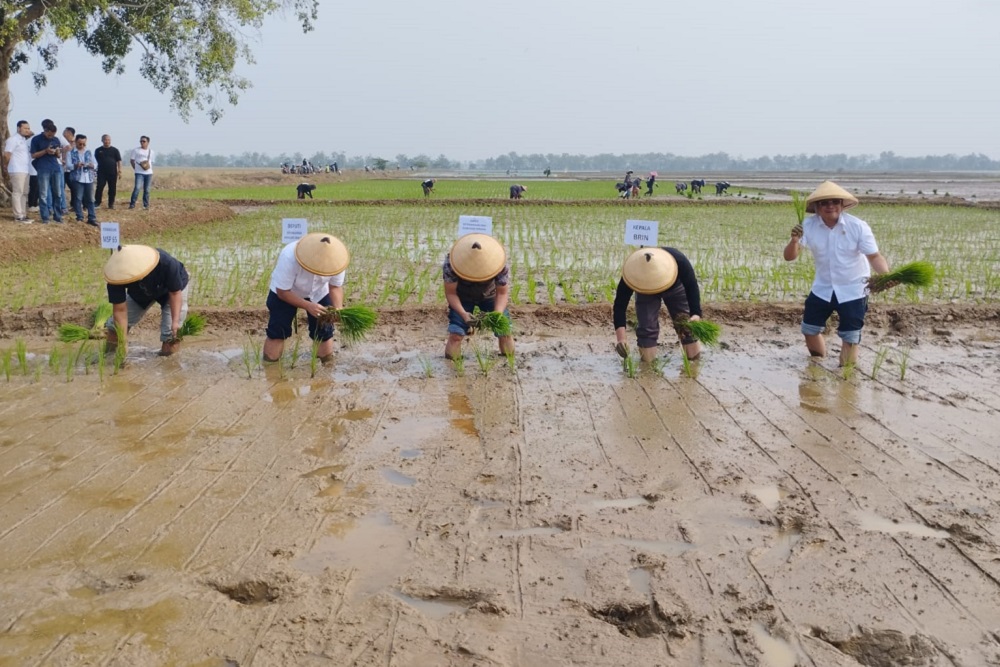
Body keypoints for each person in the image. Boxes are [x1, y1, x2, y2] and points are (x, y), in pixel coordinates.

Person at [783, 181, 889, 366]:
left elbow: (874, 256)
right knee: (809, 329)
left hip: (854, 289)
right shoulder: (808, 225)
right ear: (817, 207)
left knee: (850, 336)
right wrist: (794, 241)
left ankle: (846, 374)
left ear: (841, 204)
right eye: (824, 202)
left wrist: (887, 277)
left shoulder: (858, 226)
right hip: (823, 287)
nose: (830, 205)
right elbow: (789, 257)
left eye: (834, 201)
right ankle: (817, 366)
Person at [263, 232, 348, 364]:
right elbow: (282, 292)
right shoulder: (289, 256)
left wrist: (338, 308)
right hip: (287, 290)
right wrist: (308, 305)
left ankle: (326, 367)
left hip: (320, 292)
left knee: (324, 332)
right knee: (277, 331)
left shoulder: (337, 260)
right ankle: (270, 366)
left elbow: (335, 287)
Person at [613, 246, 704, 362]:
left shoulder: (679, 261)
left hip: (675, 287)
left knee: (687, 326)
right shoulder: (632, 271)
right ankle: (648, 369)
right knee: (647, 329)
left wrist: (696, 314)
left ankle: (693, 361)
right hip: (645, 289)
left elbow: (692, 287)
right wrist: (621, 339)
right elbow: (620, 305)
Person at [103, 245, 190, 357]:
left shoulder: (166, 263)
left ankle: (169, 362)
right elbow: (120, 311)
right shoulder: (116, 277)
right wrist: (122, 342)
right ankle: (109, 359)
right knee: (115, 330)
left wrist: (175, 322)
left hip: (171, 292)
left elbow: (175, 293)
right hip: (141, 291)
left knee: (171, 336)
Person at [443, 233, 514, 360]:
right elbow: (451, 293)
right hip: (462, 296)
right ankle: (452, 366)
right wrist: (463, 314)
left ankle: (509, 361)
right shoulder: (451, 263)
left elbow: (502, 293)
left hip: (490, 295)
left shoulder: (499, 263)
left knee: (504, 332)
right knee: (456, 335)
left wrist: (497, 314)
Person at [28, 119, 64, 224]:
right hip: (43, 168)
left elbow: (58, 155)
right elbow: (33, 155)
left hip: (55, 167)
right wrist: (45, 151)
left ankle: (58, 216)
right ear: (45, 131)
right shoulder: (36, 139)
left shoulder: (56, 139)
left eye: (53, 135)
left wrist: (57, 152)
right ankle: (45, 217)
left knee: (58, 193)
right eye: (49, 135)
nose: (51, 137)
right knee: (43, 194)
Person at [4, 119, 33, 223]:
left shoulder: (24, 141)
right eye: (25, 128)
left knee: (24, 193)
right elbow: (7, 154)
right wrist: (5, 166)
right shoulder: (12, 140)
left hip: (25, 170)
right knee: (17, 192)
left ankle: (23, 214)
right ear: (18, 128)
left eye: (28, 128)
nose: (27, 130)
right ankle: (18, 215)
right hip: (16, 169)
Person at [68, 134, 98, 225]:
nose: (82, 146)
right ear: (76, 142)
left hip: (88, 178)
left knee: (91, 199)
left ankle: (92, 218)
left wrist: (92, 165)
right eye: (80, 144)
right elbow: (68, 166)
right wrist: (76, 165)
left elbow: (96, 164)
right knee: (78, 198)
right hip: (77, 178)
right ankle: (79, 217)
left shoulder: (89, 152)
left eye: (84, 144)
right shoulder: (71, 153)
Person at [94, 134, 122, 209]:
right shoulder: (98, 150)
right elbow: (96, 160)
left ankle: (111, 204)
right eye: (105, 140)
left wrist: (120, 171)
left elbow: (119, 161)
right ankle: (97, 202)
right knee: (99, 187)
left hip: (112, 173)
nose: (107, 141)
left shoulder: (115, 150)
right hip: (101, 172)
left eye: (108, 140)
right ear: (102, 140)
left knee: (112, 188)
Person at [129, 136, 154, 209]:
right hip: (139, 172)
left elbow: (151, 162)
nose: (142, 143)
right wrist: (135, 168)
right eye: (141, 141)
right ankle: (132, 204)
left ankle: (145, 205)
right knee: (137, 188)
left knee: (147, 190)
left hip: (148, 173)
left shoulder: (151, 151)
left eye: (144, 141)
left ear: (148, 142)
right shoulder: (136, 150)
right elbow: (132, 160)